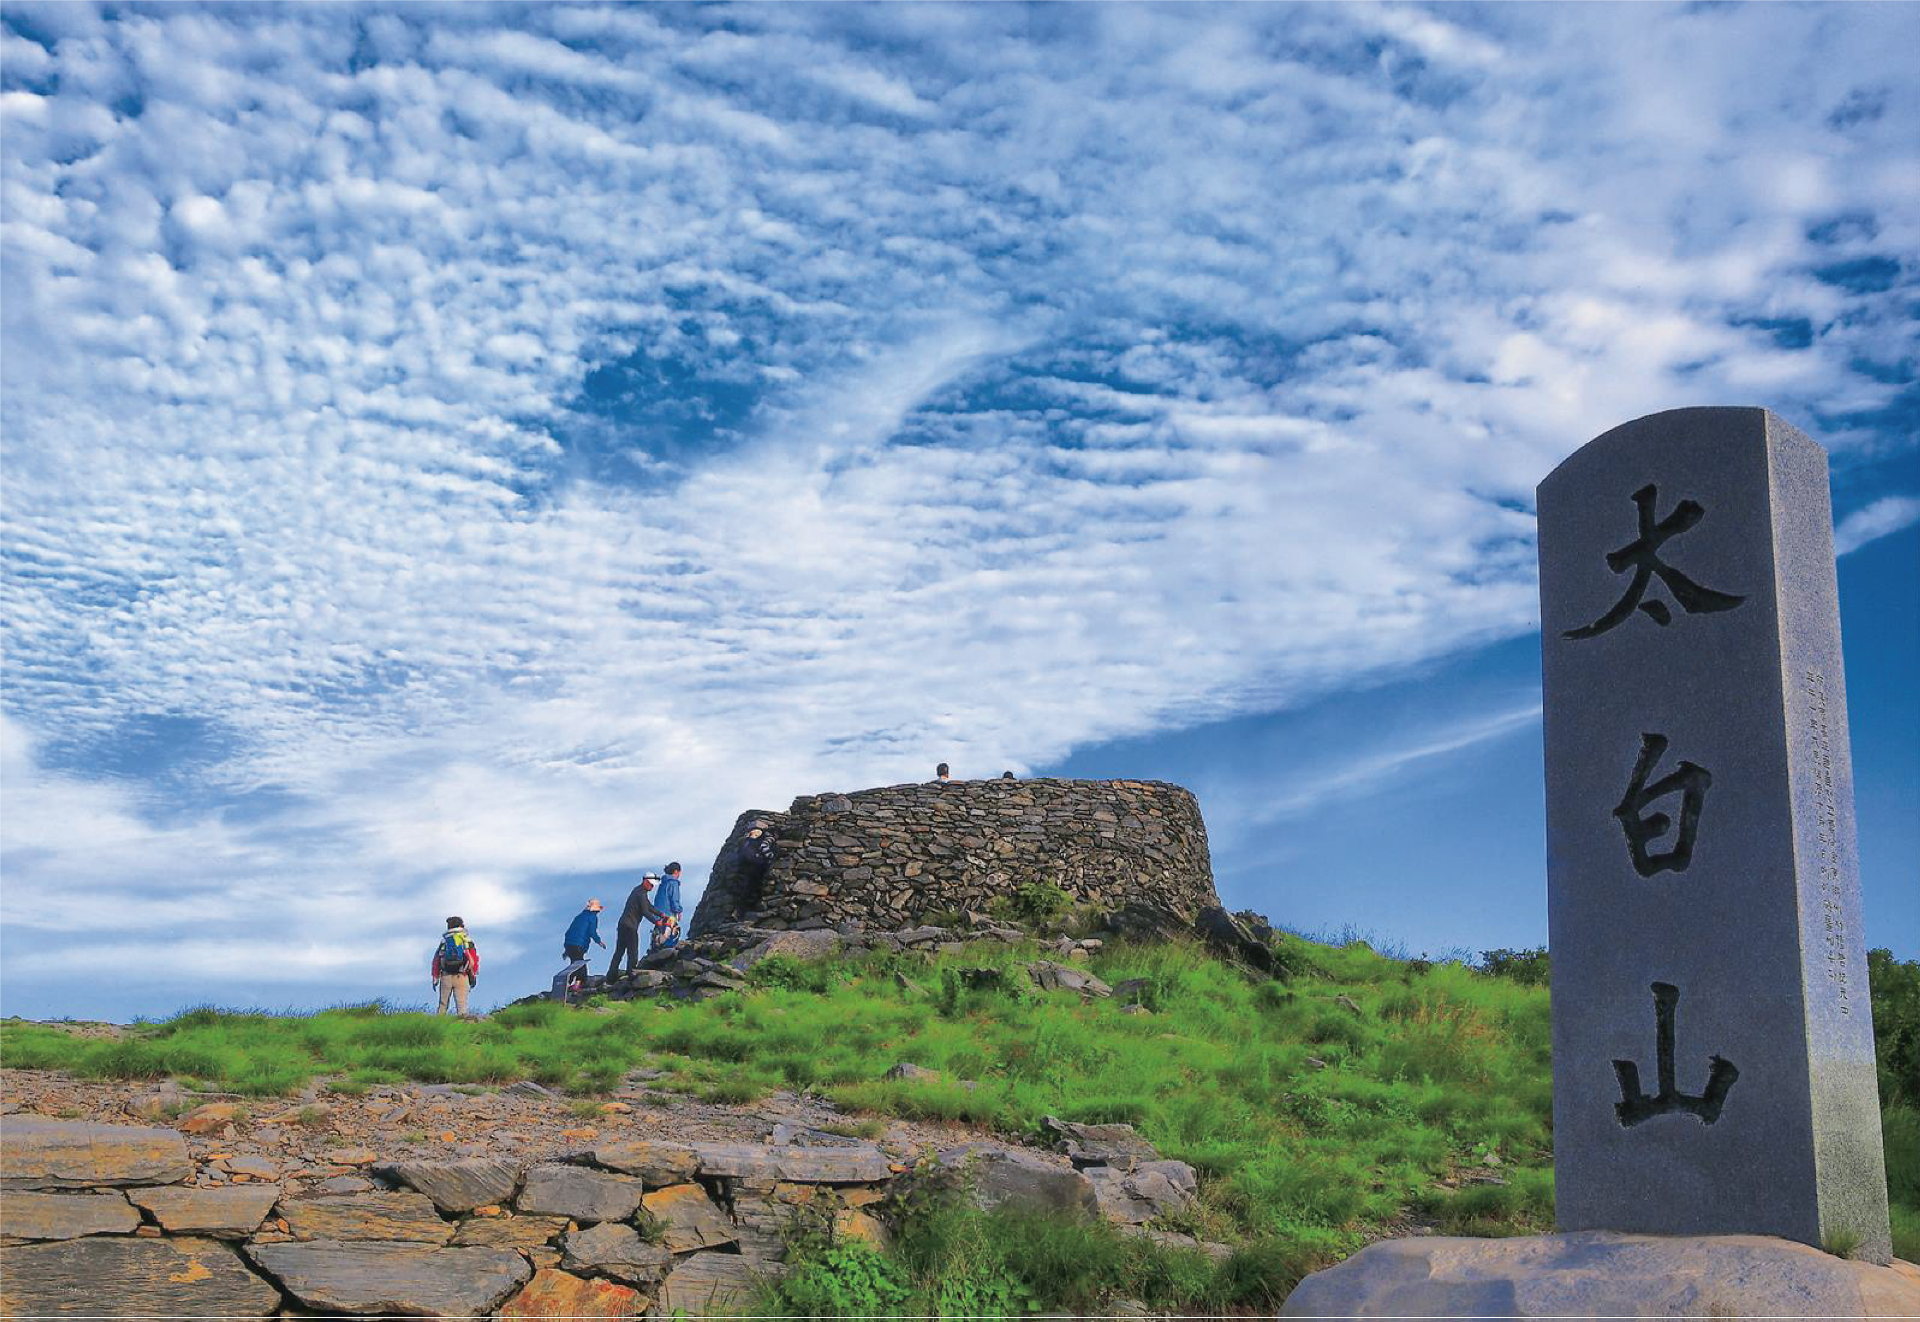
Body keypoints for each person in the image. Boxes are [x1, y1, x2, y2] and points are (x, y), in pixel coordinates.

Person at [612, 874, 661, 976]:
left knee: (619, 952)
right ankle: (631, 975)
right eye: (651, 885)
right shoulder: (641, 894)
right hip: (630, 926)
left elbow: (649, 906)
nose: (652, 887)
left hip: (623, 924)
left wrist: (661, 914)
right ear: (645, 881)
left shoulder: (638, 891)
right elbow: (645, 911)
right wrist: (656, 922)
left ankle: (610, 977)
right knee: (633, 952)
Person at [430, 916, 479, 1017]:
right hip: (461, 975)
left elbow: (436, 960)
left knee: (442, 1006)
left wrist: (435, 978)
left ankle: (439, 1028)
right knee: (461, 1006)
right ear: (461, 925)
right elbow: (474, 958)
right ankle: (462, 1030)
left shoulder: (444, 941)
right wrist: (473, 975)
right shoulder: (466, 940)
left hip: (445, 976)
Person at [650, 863, 685, 953]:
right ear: (676, 871)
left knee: (659, 937)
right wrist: (679, 911)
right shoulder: (673, 883)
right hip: (669, 915)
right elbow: (674, 899)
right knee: (670, 937)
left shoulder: (663, 884)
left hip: (658, 915)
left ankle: (655, 951)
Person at [564, 898, 606, 971]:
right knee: (580, 967)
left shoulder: (579, 916)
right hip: (579, 944)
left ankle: (572, 980)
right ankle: (579, 981)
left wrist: (566, 950)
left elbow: (570, 932)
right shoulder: (592, 917)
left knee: (574, 966)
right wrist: (599, 941)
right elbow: (592, 932)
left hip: (569, 944)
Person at [740, 823, 776, 907]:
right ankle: (753, 903)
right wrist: (771, 858)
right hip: (757, 864)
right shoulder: (768, 838)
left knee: (749, 884)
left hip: (747, 864)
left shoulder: (746, 841)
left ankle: (745, 905)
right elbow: (764, 848)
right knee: (755, 884)